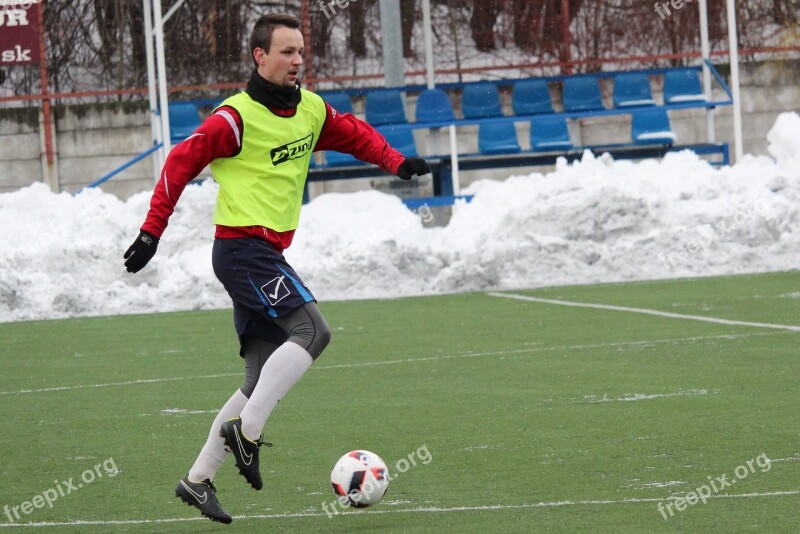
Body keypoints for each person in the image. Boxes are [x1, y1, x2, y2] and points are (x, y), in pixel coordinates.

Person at [123, 12, 430, 524]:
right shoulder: (234, 118)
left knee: (259, 376)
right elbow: (180, 162)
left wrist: (397, 163)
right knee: (313, 330)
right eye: (286, 52)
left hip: (265, 255)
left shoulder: (309, 110)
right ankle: (246, 432)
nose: (296, 62)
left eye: (301, 53)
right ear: (259, 56)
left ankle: (197, 480)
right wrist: (152, 230)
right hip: (243, 251)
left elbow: (353, 134)